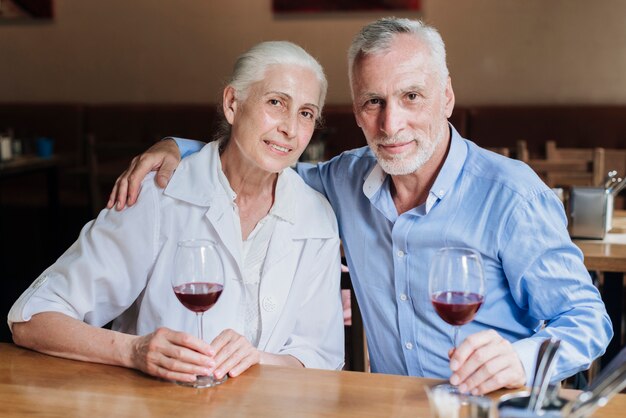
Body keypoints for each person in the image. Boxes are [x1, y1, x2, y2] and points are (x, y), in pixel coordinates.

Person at [106, 18, 612, 395]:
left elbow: (589, 319)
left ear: (447, 98)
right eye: (373, 102)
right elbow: (259, 156)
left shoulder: (510, 195)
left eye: (411, 96)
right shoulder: (345, 179)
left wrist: (521, 360)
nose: (391, 125)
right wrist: (178, 146)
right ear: (356, 110)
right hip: (395, 407)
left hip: (497, 408)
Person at [8, 41, 344, 384]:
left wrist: (259, 359)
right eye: (276, 102)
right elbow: (33, 318)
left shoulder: (316, 215)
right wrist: (133, 351)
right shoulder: (158, 195)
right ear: (232, 104)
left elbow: (321, 356)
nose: (290, 128)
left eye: (306, 113)